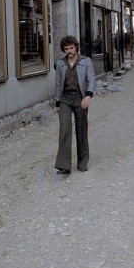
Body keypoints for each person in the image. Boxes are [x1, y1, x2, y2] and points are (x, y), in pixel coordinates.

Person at [54, 35, 95, 175]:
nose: (69, 51)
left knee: (81, 129)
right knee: (64, 129)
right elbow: (58, 83)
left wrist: (88, 95)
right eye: (66, 49)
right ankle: (64, 166)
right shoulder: (60, 63)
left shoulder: (86, 61)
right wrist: (58, 102)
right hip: (65, 99)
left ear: (76, 47)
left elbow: (91, 80)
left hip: (80, 98)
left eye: (71, 48)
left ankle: (82, 163)